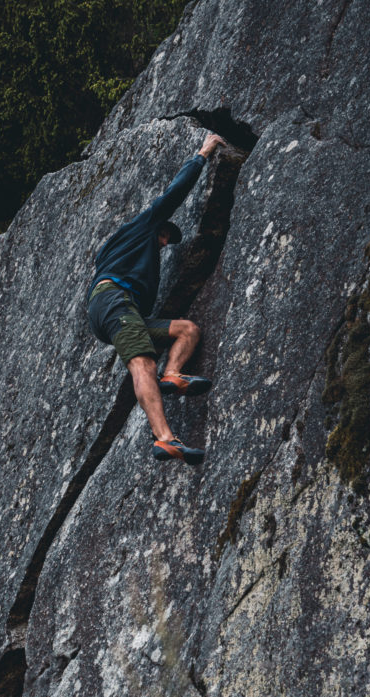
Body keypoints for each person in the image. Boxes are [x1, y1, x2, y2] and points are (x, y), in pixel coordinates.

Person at [86, 132, 225, 464]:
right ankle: (165, 438)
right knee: (143, 363)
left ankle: (174, 373)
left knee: (187, 330)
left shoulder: (127, 255)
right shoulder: (142, 226)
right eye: (164, 234)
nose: (164, 243)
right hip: (114, 300)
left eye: (166, 239)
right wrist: (203, 153)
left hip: (124, 308)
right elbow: (174, 193)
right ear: (155, 227)